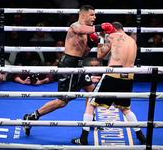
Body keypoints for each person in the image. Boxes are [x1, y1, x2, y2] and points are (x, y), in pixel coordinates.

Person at [22, 4, 114, 136]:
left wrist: (92, 44)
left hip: (78, 65)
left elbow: (83, 54)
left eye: (95, 15)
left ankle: (90, 121)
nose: (94, 17)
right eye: (92, 15)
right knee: (62, 101)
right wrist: (100, 27)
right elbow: (81, 29)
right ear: (83, 15)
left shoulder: (85, 33)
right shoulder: (75, 26)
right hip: (68, 66)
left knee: (91, 91)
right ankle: (31, 117)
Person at [71, 22, 146, 145]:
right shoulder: (132, 41)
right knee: (125, 109)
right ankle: (141, 136)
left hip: (113, 74)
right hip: (129, 77)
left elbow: (100, 55)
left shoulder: (111, 36)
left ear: (112, 30)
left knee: (90, 104)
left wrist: (101, 39)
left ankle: (83, 137)